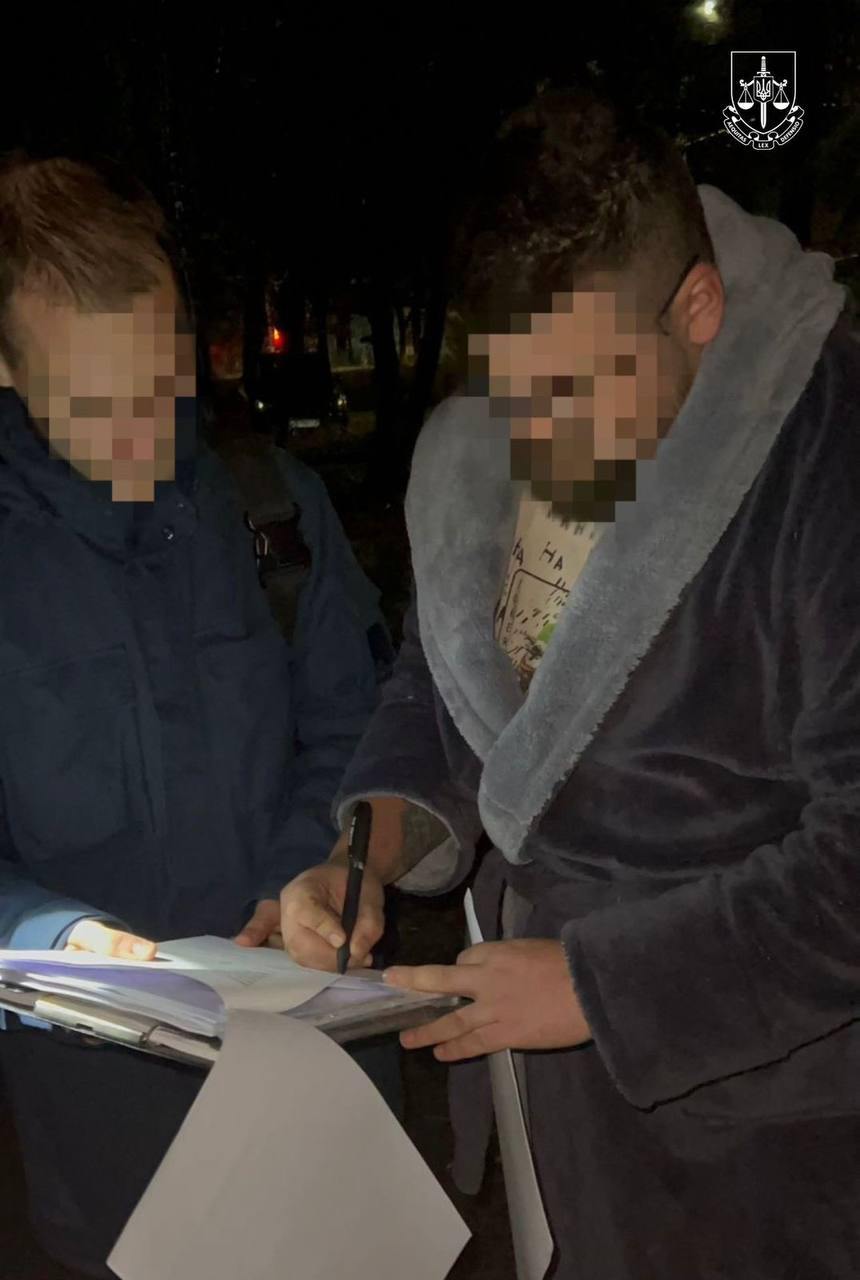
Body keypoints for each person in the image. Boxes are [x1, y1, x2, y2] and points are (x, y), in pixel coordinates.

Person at [279, 88, 860, 1279]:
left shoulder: (828, 460)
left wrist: (601, 988)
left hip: (771, 1135)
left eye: (574, 394)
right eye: (511, 396)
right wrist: (365, 852)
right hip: (565, 1111)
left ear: (695, 309)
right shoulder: (488, 448)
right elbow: (445, 686)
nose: (539, 446)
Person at [0, 153, 392, 1278]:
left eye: (161, 381)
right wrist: (55, 939)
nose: (145, 435)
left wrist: (311, 871)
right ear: (8, 369)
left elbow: (362, 729)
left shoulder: (273, 507)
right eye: (96, 403)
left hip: (316, 1073)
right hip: (106, 1123)